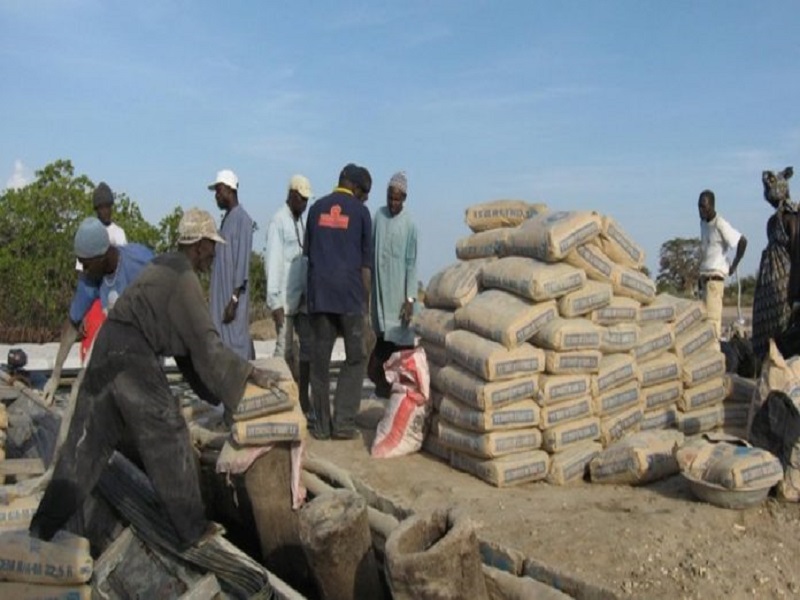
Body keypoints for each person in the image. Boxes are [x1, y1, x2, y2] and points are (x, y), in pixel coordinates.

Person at [29, 208, 281, 550]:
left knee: (83, 447)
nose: (213, 254)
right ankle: (192, 530)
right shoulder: (183, 279)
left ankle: (41, 527)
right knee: (168, 430)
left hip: (107, 349)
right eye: (211, 246)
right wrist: (250, 372)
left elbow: (186, 347)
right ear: (199, 245)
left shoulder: (163, 265)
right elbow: (206, 345)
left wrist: (210, 391)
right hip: (131, 355)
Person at [42, 217, 154, 404]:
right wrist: (56, 375)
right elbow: (73, 323)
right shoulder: (90, 279)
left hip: (149, 346)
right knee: (81, 388)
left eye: (86, 264)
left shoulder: (141, 261)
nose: (84, 270)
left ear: (102, 257)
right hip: (118, 344)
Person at [304, 164, 373, 440]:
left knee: (319, 363)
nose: (365, 198)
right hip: (350, 297)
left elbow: (309, 256)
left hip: (320, 296)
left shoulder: (315, 209)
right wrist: (365, 308)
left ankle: (321, 426)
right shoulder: (361, 213)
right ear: (354, 187)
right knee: (356, 357)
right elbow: (365, 267)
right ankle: (343, 423)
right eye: (365, 192)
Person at [266, 174, 314, 418]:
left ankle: (299, 402)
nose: (304, 204)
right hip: (284, 301)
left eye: (307, 201)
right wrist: (274, 301)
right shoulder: (279, 221)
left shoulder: (299, 221)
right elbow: (273, 262)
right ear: (292, 195)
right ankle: (272, 402)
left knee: (303, 351)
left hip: (299, 299)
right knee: (282, 352)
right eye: (301, 199)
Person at [368, 171, 418, 398]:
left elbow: (411, 264)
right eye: (390, 198)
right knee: (380, 346)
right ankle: (383, 390)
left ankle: (398, 394)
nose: (392, 203)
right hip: (379, 294)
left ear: (404, 198)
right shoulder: (378, 217)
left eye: (397, 199)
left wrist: (410, 299)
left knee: (399, 347)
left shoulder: (410, 224)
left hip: (399, 297)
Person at [76, 182, 128, 363]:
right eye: (101, 207)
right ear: (96, 209)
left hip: (114, 299)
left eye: (108, 207)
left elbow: (123, 273)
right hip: (94, 300)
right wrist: (81, 312)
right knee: (91, 353)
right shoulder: (87, 234)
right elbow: (82, 276)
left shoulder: (119, 234)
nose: (105, 211)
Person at [752, 168, 798, 359]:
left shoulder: (792, 217)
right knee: (768, 334)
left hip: (785, 288)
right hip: (769, 289)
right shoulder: (772, 222)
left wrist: (795, 293)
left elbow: (796, 253)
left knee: (784, 332)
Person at [208, 169, 254, 360]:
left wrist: (234, 301)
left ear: (229, 189)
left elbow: (241, 264)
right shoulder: (227, 219)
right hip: (220, 296)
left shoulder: (243, 220)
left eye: (219, 191)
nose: (216, 196)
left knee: (236, 345)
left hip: (231, 300)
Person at [698, 189, 747, 340]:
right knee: (702, 323)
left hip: (714, 281)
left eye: (704, 207)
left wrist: (734, 266)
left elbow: (742, 241)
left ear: (712, 206)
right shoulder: (703, 223)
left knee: (712, 323)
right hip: (704, 279)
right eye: (699, 206)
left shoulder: (720, 224)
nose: (701, 210)